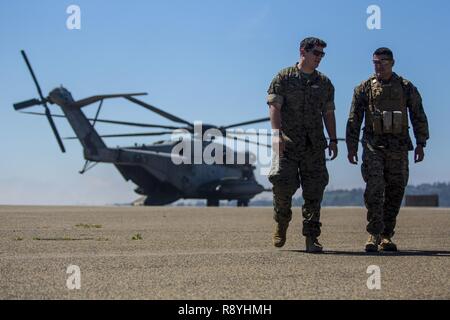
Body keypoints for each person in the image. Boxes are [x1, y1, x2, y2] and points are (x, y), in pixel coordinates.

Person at [346, 47, 429, 252]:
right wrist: (351, 146)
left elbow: (418, 114)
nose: (378, 66)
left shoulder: (406, 87)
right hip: (373, 146)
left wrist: (421, 143)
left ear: (392, 63)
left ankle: (386, 235)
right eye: (375, 62)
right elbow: (354, 119)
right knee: (375, 188)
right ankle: (373, 233)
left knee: (395, 190)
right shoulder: (364, 88)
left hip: (399, 148)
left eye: (383, 61)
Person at [267, 37, 338, 253]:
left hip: (314, 146)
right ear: (302, 51)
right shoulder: (284, 77)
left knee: (314, 191)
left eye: (321, 55)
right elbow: (274, 107)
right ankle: (281, 221)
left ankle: (312, 237)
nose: (319, 58)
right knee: (282, 185)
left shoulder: (325, 83)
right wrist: (277, 135)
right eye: (316, 53)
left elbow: (328, 113)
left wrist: (333, 139)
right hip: (288, 144)